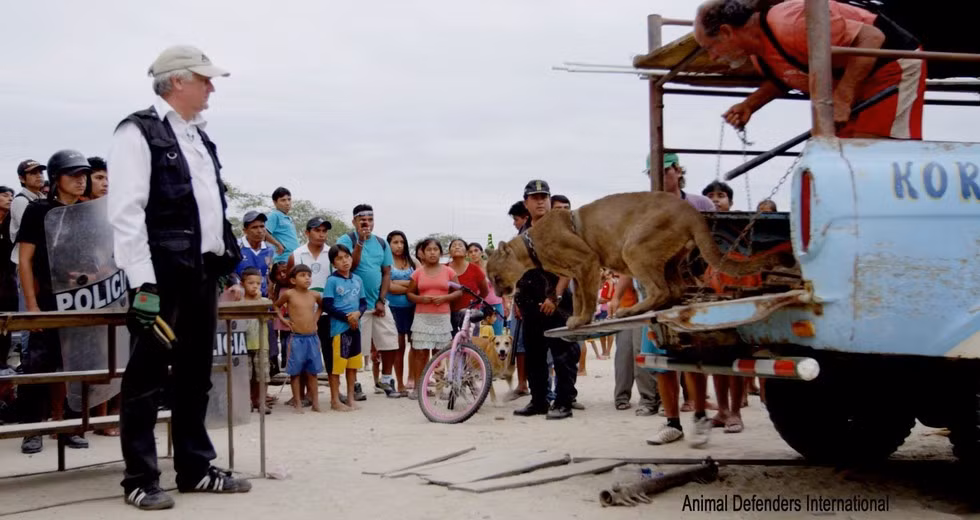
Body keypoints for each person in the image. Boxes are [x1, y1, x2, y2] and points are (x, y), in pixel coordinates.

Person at [107, 45, 249, 510]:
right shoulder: (138, 131)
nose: (212, 86)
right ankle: (140, 478)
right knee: (146, 378)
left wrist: (227, 264)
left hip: (200, 272)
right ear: (178, 81)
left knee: (194, 376)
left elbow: (212, 210)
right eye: (205, 79)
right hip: (160, 274)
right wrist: (142, 283)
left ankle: (194, 468)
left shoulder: (200, 138)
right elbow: (126, 214)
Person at [695, 0, 925, 139]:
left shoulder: (790, 23)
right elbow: (786, 76)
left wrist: (843, 97)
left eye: (709, 47)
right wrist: (750, 105)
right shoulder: (759, 56)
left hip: (890, 65)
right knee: (832, 153)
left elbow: (872, 37)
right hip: (852, 81)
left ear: (726, 32)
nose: (712, 56)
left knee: (868, 149)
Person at [512, 180, 579, 420]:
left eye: (544, 196)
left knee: (563, 354)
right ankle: (539, 400)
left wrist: (556, 295)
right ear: (526, 202)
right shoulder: (523, 231)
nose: (540, 201)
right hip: (529, 301)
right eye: (535, 197)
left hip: (557, 300)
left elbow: (568, 265)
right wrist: (517, 300)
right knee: (534, 354)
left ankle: (563, 402)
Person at [336, 204, 399, 399]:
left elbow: (387, 272)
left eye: (370, 220)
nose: (367, 223)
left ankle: (386, 379)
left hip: (378, 303)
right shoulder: (346, 240)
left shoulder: (382, 243)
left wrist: (382, 299)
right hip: (355, 304)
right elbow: (348, 266)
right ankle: (354, 384)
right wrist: (360, 243)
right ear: (354, 221)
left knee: (390, 341)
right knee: (357, 346)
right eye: (362, 220)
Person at [405, 238, 461, 400]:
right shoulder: (417, 273)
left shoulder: (449, 272)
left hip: (442, 317)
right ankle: (418, 387)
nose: (432, 253)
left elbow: (459, 292)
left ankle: (439, 388)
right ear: (422, 253)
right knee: (420, 353)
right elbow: (409, 294)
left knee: (440, 353)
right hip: (422, 317)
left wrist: (445, 298)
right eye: (428, 250)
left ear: (440, 252)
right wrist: (420, 299)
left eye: (435, 249)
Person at [609, 273, 661, 416]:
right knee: (631, 355)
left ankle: (660, 399)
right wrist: (616, 298)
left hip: (656, 306)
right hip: (635, 309)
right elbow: (627, 272)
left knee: (661, 355)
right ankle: (645, 399)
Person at [274, 265, 323, 413]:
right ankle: (298, 403)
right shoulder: (289, 294)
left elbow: (321, 307)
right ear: (293, 280)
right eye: (302, 275)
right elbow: (276, 306)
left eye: (309, 275)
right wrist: (284, 320)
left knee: (313, 373)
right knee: (295, 372)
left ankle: (315, 403)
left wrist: (315, 318)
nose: (307, 278)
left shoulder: (315, 295)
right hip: (296, 338)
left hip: (312, 337)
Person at [323, 244, 366, 411]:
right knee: (337, 366)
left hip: (356, 327)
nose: (344, 261)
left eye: (347, 257)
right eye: (339, 259)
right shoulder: (332, 281)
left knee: (352, 364)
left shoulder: (357, 279)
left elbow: (363, 302)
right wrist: (347, 317)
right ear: (334, 263)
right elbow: (327, 305)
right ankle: (335, 399)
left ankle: (350, 398)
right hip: (339, 329)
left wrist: (357, 314)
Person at [386, 231, 416, 393]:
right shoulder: (386, 262)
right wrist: (408, 286)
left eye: (401, 242)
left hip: (413, 308)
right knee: (399, 346)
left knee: (416, 345)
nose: (399, 245)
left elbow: (417, 285)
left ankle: (412, 378)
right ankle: (400, 383)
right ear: (389, 244)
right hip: (394, 309)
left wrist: (400, 283)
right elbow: (389, 287)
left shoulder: (412, 261)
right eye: (395, 242)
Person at [240, 268, 270, 415]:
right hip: (243, 345)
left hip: (261, 343)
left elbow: (265, 319)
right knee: (245, 376)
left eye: (258, 283)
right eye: (250, 283)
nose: (255, 286)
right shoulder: (239, 302)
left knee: (262, 375)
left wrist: (258, 300)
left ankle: (262, 401)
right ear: (242, 284)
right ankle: (247, 401)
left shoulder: (264, 301)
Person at [446, 239, 489, 336]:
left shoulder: (475, 270)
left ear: (466, 252)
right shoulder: (443, 268)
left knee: (469, 345)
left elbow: (484, 291)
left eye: (460, 245)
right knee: (449, 346)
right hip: (447, 314)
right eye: (454, 245)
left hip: (470, 314)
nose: (457, 247)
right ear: (449, 252)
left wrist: (474, 303)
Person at [466, 242, 504, 336]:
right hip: (478, 307)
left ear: (482, 253)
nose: (473, 254)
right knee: (477, 336)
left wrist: (506, 302)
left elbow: (501, 284)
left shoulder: (491, 266)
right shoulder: (468, 269)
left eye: (476, 250)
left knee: (496, 335)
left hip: (495, 305)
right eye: (470, 252)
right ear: (468, 255)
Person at [236, 211, 275, 297]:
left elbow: (268, 272)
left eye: (262, 226)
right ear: (245, 231)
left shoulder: (269, 250)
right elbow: (228, 271)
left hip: (262, 297)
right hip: (240, 298)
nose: (260, 231)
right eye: (254, 227)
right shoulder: (236, 247)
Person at [264, 187, 300, 263]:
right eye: (283, 200)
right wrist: (277, 244)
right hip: (283, 259)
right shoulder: (274, 215)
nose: (287, 203)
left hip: (294, 257)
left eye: (289, 199)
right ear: (275, 202)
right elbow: (264, 233)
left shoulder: (288, 218)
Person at [0, 187, 14, 369]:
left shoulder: (13, 221)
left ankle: (3, 361)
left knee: (7, 323)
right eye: (4, 195)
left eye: (11, 195)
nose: (9, 198)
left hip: (8, 279)